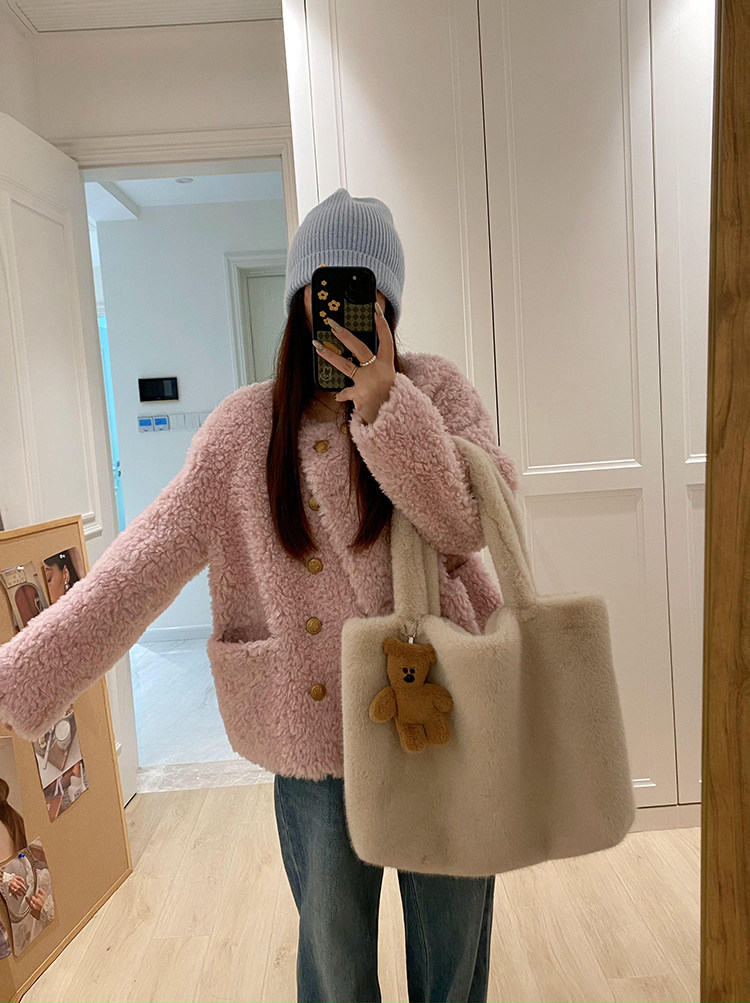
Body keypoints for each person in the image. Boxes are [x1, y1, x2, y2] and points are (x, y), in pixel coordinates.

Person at [0, 187, 519, 1002]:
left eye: (364, 294)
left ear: (388, 305)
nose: (342, 313)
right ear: (298, 299)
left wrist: (388, 408)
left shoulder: (435, 392)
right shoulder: (244, 431)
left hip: (441, 717)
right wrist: (22, 675)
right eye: (325, 291)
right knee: (334, 966)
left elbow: (473, 523)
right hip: (316, 737)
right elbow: (142, 564)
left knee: (451, 959)